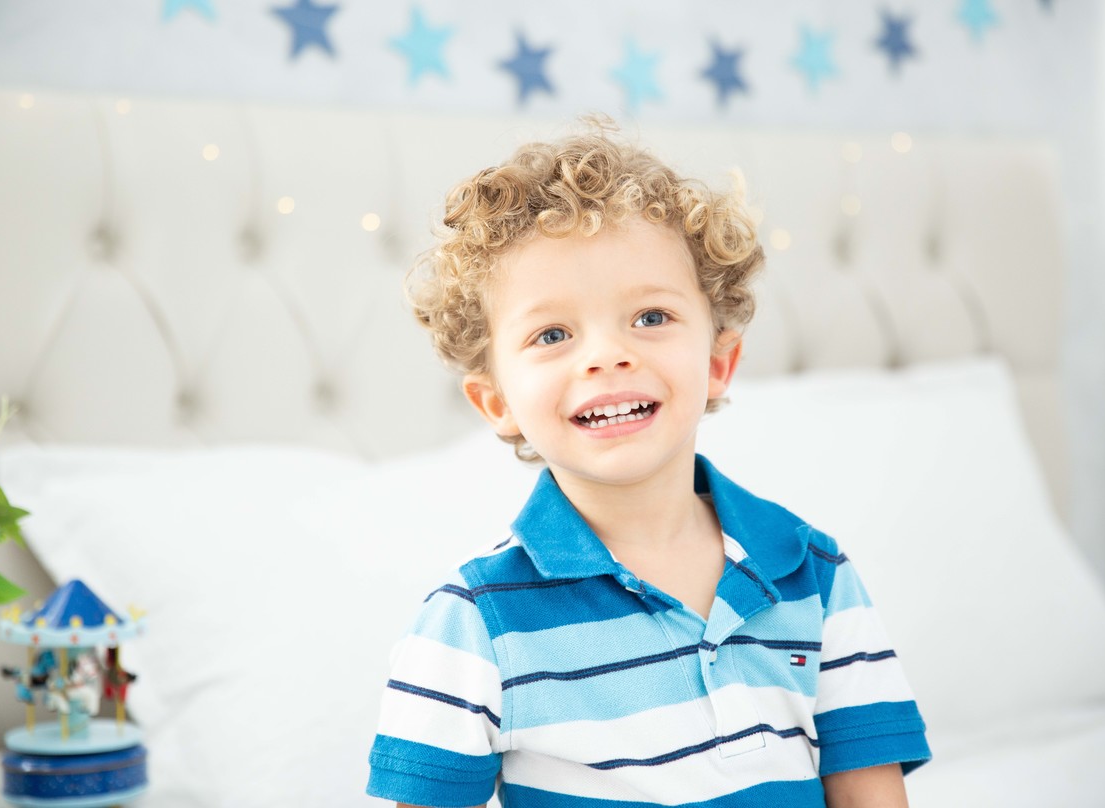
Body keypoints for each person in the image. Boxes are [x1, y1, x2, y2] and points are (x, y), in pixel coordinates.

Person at [367, 121, 930, 808]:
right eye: (552, 334)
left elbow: (869, 793)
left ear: (719, 362)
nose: (606, 355)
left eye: (651, 317)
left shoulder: (812, 573)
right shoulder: (475, 619)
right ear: (497, 403)